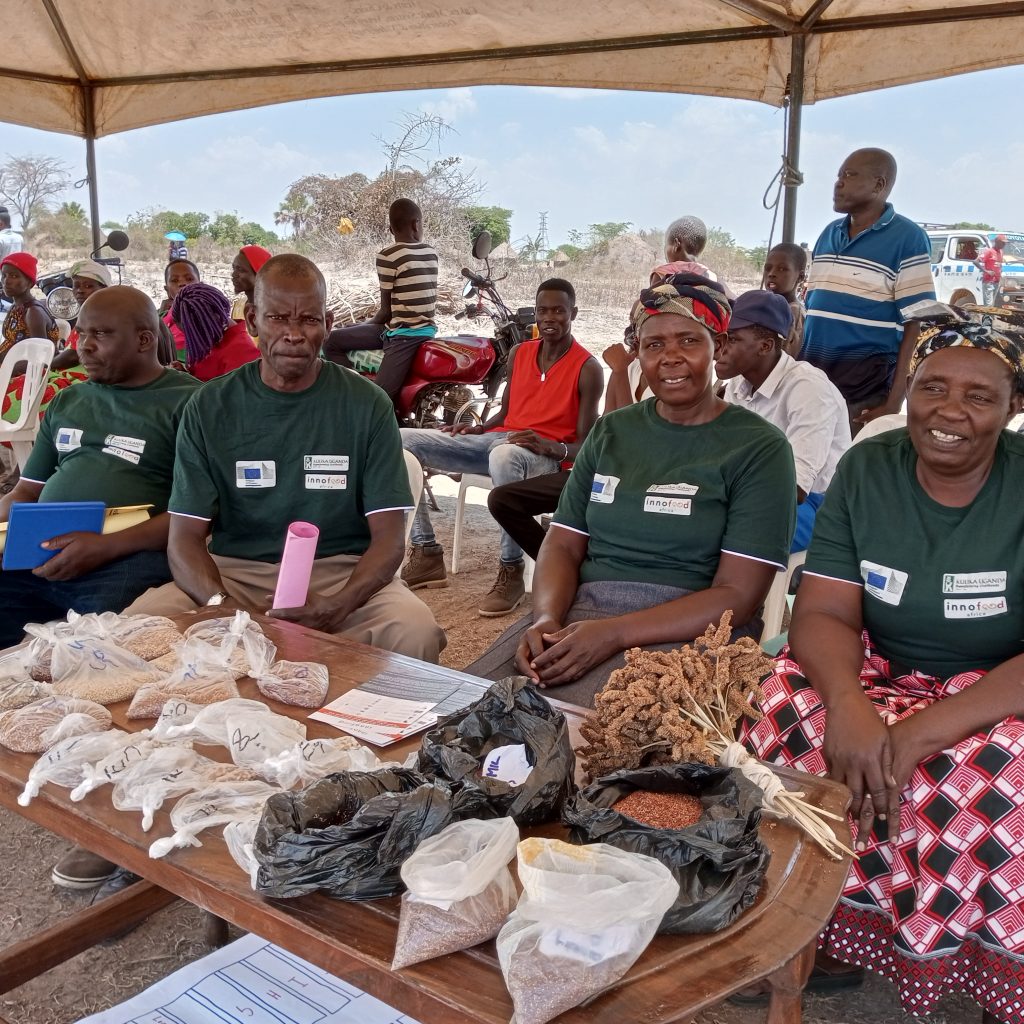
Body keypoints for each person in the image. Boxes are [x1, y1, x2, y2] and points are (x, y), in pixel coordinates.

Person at [744, 304, 1024, 1024]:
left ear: (1014, 407)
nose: (949, 411)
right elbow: (825, 614)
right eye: (933, 387)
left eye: (979, 395)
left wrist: (921, 732)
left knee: (999, 772)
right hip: (878, 671)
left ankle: (993, 960)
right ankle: (820, 925)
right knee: (776, 713)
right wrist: (848, 705)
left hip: (999, 689)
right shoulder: (870, 467)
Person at [468, 277, 796, 706]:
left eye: (688, 341)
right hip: (580, 612)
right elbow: (563, 543)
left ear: (718, 344)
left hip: (692, 629)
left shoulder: (759, 447)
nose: (671, 358)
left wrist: (615, 634)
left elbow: (739, 597)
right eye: (653, 345)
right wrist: (546, 617)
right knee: (464, 707)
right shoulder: (612, 432)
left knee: (581, 735)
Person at [126, 254, 444, 664]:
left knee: (413, 631)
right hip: (235, 575)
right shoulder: (209, 406)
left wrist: (340, 603)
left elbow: (388, 541)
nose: (293, 334)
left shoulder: (367, 405)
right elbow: (184, 538)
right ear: (253, 320)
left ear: (328, 325)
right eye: (278, 318)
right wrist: (219, 605)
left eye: (309, 320)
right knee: (138, 626)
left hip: (340, 572)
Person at [0, 285, 199, 648]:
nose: (84, 345)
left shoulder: (189, 404)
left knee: (97, 645)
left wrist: (105, 547)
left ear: (143, 340)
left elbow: (195, 516)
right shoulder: (68, 400)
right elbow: (26, 491)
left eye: (102, 334)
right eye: (83, 333)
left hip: (126, 558)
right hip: (38, 554)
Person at [400, 278, 603, 616]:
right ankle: (426, 551)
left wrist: (551, 446)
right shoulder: (520, 354)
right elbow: (506, 415)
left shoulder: (587, 368)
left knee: (504, 454)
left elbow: (585, 446)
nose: (550, 318)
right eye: (543, 310)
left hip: (542, 459)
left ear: (574, 314)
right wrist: (477, 427)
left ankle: (511, 567)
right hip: (500, 441)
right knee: (402, 438)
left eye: (559, 311)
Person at [801, 148, 935, 430]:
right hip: (813, 385)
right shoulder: (828, 234)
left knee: (849, 469)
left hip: (864, 394)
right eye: (838, 175)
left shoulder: (908, 238)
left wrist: (894, 401)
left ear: (879, 184)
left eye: (849, 175)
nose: (838, 183)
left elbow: (915, 323)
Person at [715, 290, 850, 552]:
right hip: (751, 493)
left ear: (765, 346)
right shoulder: (737, 386)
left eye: (731, 339)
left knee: (724, 535)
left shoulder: (808, 388)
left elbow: (796, 488)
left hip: (815, 506)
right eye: (720, 338)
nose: (720, 348)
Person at [323, 198, 438, 402]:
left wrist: (361, 324)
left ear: (390, 229)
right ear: (416, 224)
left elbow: (386, 311)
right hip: (413, 330)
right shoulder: (430, 253)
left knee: (379, 398)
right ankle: (358, 388)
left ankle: (356, 392)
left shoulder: (388, 256)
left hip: (406, 336)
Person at [171, 281, 259, 382]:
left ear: (209, 323)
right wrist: (186, 375)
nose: (191, 339)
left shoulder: (242, 356)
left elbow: (228, 396)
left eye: (192, 333)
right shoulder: (214, 340)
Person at [52, 259, 112, 369]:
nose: (80, 290)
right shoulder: (87, 314)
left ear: (104, 289)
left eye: (88, 286)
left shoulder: (101, 317)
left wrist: (45, 365)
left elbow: (73, 356)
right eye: (76, 285)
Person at [0, 252, 60, 363]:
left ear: (30, 283)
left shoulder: (33, 313)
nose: (6, 281)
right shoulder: (16, 307)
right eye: (4, 275)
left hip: (26, 375)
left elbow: (39, 359)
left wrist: (4, 371)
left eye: (14, 276)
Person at [762, 242, 807, 357]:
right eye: (768, 268)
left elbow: (782, 357)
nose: (771, 274)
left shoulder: (792, 312)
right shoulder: (771, 307)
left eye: (782, 269)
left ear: (800, 277)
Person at [159, 258, 201, 360]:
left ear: (201, 285)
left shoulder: (214, 317)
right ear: (167, 290)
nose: (182, 283)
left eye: (189, 279)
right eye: (174, 280)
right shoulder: (158, 319)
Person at [230, 244, 272, 323]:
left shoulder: (274, 312)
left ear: (259, 275)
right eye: (234, 268)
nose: (233, 274)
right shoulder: (239, 306)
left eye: (240, 270)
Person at [975, 233, 1007, 307]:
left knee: (994, 305)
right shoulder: (989, 251)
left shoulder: (1001, 252)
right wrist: (986, 271)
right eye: (1003, 243)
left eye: (1005, 243)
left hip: (996, 281)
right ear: (997, 242)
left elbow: (999, 264)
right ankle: (987, 318)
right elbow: (975, 261)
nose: (1004, 245)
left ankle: (990, 318)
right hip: (988, 281)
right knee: (988, 305)